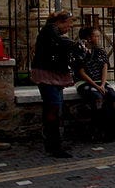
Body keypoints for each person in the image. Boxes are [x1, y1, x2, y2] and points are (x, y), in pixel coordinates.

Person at [31, 10, 79, 158]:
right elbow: (61, 43)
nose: (69, 27)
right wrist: (76, 45)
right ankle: (53, 144)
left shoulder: (53, 32)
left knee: (54, 106)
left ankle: (54, 141)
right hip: (47, 74)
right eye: (69, 24)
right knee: (53, 107)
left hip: (53, 73)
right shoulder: (50, 31)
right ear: (61, 22)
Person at [73, 27, 115, 142]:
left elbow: (105, 67)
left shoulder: (100, 51)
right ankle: (97, 130)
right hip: (85, 81)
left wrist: (102, 83)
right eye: (96, 36)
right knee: (97, 99)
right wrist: (96, 86)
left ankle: (113, 129)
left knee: (114, 98)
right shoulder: (80, 51)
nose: (98, 38)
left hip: (100, 81)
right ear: (88, 38)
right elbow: (81, 72)